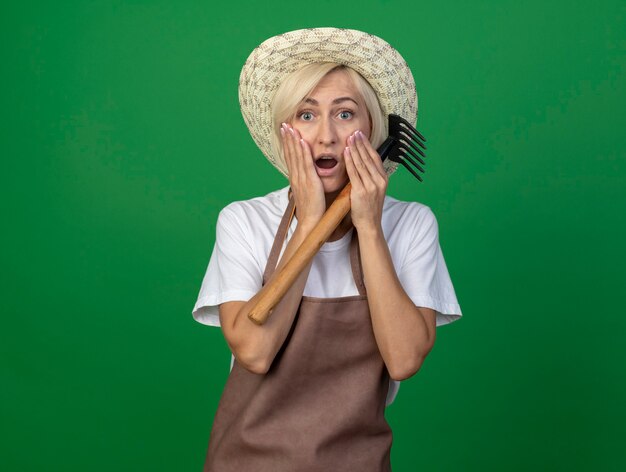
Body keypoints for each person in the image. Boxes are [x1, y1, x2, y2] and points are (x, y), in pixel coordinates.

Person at [192, 27, 462, 471]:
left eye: (344, 114)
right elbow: (255, 352)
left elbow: (404, 358)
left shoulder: (411, 225)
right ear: (285, 132)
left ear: (372, 128)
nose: (326, 136)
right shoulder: (243, 221)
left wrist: (369, 227)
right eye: (305, 115)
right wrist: (310, 222)